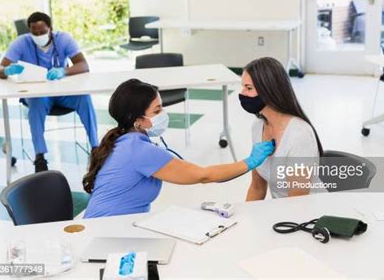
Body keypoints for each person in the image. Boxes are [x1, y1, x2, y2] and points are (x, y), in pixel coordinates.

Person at [82, 79, 274, 218]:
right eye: (157, 111)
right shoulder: (139, 151)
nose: (163, 114)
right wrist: (250, 162)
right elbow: (203, 175)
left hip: (113, 224)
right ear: (138, 120)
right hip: (107, 230)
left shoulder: (124, 140)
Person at [0, 12, 99, 172]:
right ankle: (40, 156)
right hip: (38, 96)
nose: (38, 35)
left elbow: (83, 65)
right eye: (34, 33)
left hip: (62, 93)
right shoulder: (21, 43)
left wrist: (63, 71)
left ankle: (95, 148)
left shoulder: (63, 39)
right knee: (36, 102)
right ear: (29, 31)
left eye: (42, 32)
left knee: (84, 98)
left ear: (50, 28)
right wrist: (8, 70)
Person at [239, 57, 325, 200]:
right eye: (243, 87)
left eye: (248, 88)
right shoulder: (258, 126)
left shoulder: (299, 135)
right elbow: (257, 188)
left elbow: (298, 203)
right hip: (281, 211)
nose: (242, 93)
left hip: (308, 214)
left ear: (269, 90)